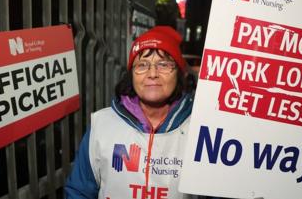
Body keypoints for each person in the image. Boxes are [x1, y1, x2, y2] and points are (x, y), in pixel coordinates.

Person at [65, 26, 206, 199]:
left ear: (178, 73)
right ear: (131, 74)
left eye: (163, 64)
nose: (152, 73)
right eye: (142, 65)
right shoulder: (102, 125)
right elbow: (79, 192)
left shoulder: (200, 129)